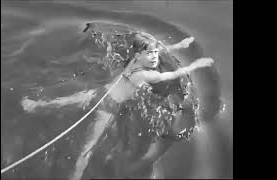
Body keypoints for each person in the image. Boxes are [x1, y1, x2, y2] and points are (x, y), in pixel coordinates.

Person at [21, 32, 213, 180]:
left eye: (155, 52)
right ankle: (77, 173)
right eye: (150, 53)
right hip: (109, 106)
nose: (155, 57)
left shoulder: (134, 61)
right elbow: (170, 75)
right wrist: (195, 66)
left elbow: (161, 50)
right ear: (139, 55)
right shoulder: (147, 75)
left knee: (64, 101)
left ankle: (34, 105)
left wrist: (180, 45)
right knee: (89, 145)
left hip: (98, 93)